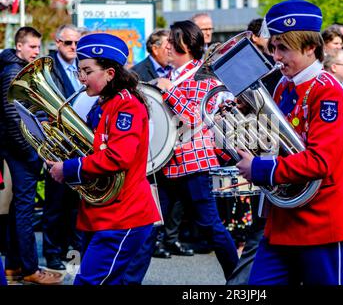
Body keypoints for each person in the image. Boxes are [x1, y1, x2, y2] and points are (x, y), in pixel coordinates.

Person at [236, 0, 343, 285]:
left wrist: (260, 169)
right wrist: (244, 119)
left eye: (284, 48)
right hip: (284, 219)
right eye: (274, 48)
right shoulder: (284, 84)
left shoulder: (327, 90)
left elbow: (321, 161)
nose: (276, 57)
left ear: (309, 47)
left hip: (323, 221)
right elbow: (274, 141)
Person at [47, 33, 161, 285]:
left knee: (88, 282)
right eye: (79, 71)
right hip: (102, 213)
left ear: (110, 73)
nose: (81, 78)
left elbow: (118, 156)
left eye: (87, 70)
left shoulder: (126, 106)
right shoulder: (103, 104)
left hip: (123, 215)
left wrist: (67, 168)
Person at [153, 20, 239, 279]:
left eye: (172, 40)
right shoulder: (171, 76)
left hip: (194, 163)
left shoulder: (204, 75)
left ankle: (237, 278)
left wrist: (168, 92)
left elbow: (192, 116)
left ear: (186, 44)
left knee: (211, 226)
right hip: (168, 161)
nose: (166, 45)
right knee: (150, 226)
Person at [0, 26, 62, 285]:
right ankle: (30, 269)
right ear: (19, 47)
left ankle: (14, 266)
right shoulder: (12, 72)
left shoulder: (13, 68)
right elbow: (13, 116)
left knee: (19, 210)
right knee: (24, 210)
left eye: (38, 47)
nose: (37, 52)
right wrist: (33, 153)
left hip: (18, 151)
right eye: (33, 47)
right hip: (20, 152)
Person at [130, 28, 173, 260]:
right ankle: (148, 242)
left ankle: (164, 238)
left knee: (166, 197)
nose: (170, 50)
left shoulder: (174, 71)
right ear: (155, 48)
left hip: (168, 142)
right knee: (150, 195)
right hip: (148, 145)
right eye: (167, 46)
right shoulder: (138, 72)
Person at [42, 24, 83, 271]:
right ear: (58, 43)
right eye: (68, 43)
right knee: (55, 206)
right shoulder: (49, 69)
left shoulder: (82, 67)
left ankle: (74, 253)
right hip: (58, 146)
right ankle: (52, 253)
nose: (73, 48)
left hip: (79, 148)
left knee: (77, 206)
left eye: (76, 43)